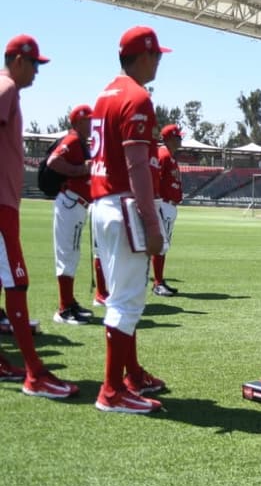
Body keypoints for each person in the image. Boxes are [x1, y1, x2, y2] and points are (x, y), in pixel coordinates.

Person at [91, 26, 173, 412]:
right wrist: (152, 225)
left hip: (101, 204)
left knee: (121, 298)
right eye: (156, 55)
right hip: (123, 205)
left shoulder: (105, 93)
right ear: (142, 56)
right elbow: (138, 165)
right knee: (125, 302)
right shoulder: (136, 97)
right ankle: (111, 391)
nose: (158, 61)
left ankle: (128, 374)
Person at [0, 34, 79, 396]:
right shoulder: (7, 89)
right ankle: (35, 373)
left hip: (6, 203)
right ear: (17, 60)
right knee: (17, 283)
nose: (36, 71)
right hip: (0, 206)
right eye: (34, 64)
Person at [47, 104, 96, 325]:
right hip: (70, 203)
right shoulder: (73, 139)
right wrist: (80, 170)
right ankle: (64, 308)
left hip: (76, 204)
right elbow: (54, 161)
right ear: (78, 121)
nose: (91, 124)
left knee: (72, 255)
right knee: (67, 255)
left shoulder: (81, 142)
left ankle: (69, 301)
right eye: (88, 120)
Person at [150, 123, 184, 296]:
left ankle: (160, 280)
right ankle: (157, 283)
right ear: (170, 138)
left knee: (164, 245)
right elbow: (153, 178)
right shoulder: (163, 155)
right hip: (163, 203)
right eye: (178, 137)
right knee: (160, 245)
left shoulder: (170, 156)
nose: (181, 140)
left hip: (169, 205)